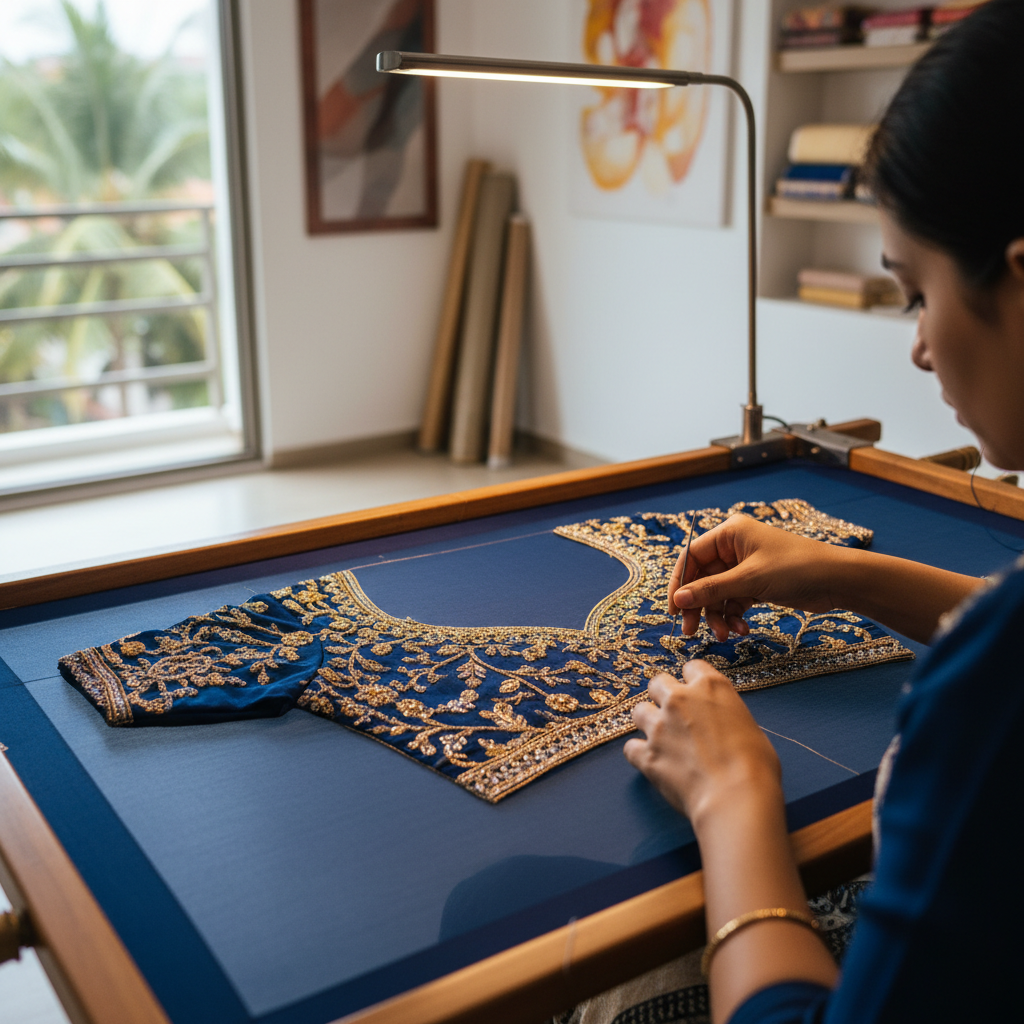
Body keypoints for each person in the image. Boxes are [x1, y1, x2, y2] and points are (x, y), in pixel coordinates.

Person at [623, 2, 1024, 1021]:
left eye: (917, 292)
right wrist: (843, 573)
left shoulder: (990, 695)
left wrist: (730, 795)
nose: (919, 348)